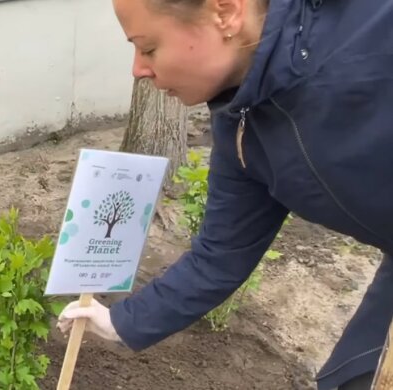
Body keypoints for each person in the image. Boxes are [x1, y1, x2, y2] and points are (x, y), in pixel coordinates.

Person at [56, 1, 393, 389]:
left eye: (148, 48)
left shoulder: (371, 31)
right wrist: (119, 322)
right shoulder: (241, 123)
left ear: (226, 13)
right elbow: (221, 256)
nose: (138, 70)